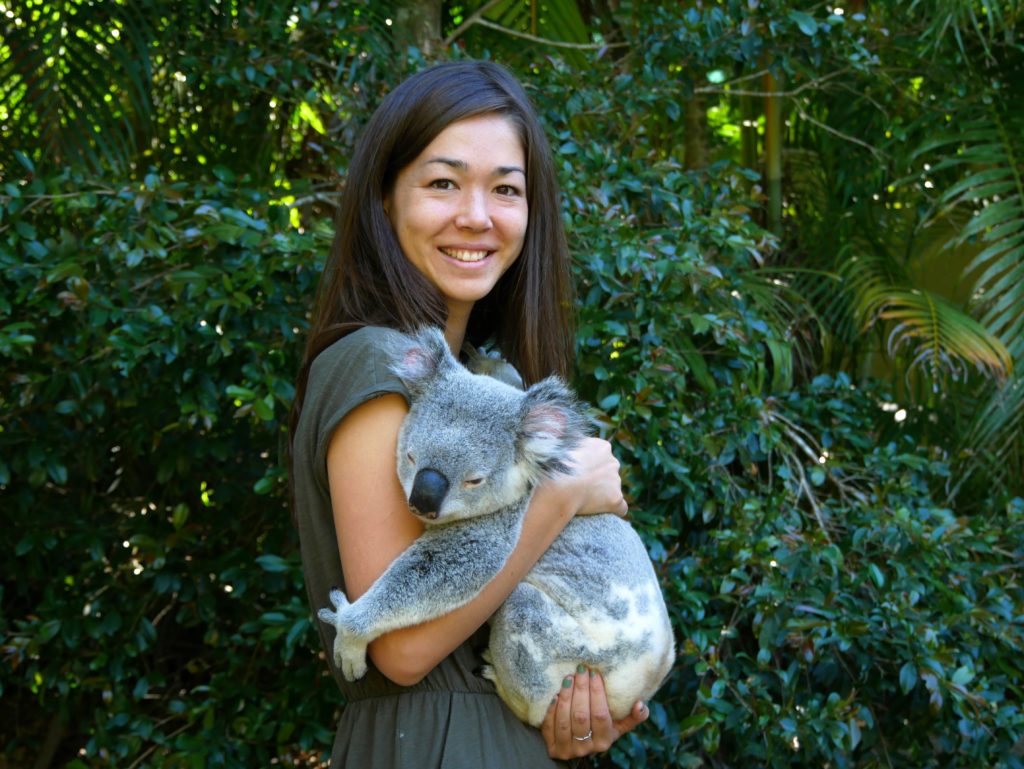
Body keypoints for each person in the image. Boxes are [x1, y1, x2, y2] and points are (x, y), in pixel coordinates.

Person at [290, 60, 648, 767]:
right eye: (443, 182)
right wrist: (565, 489)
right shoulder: (377, 362)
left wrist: (568, 699)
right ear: (384, 200)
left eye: (505, 189)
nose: (476, 216)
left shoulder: (493, 384)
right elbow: (398, 648)